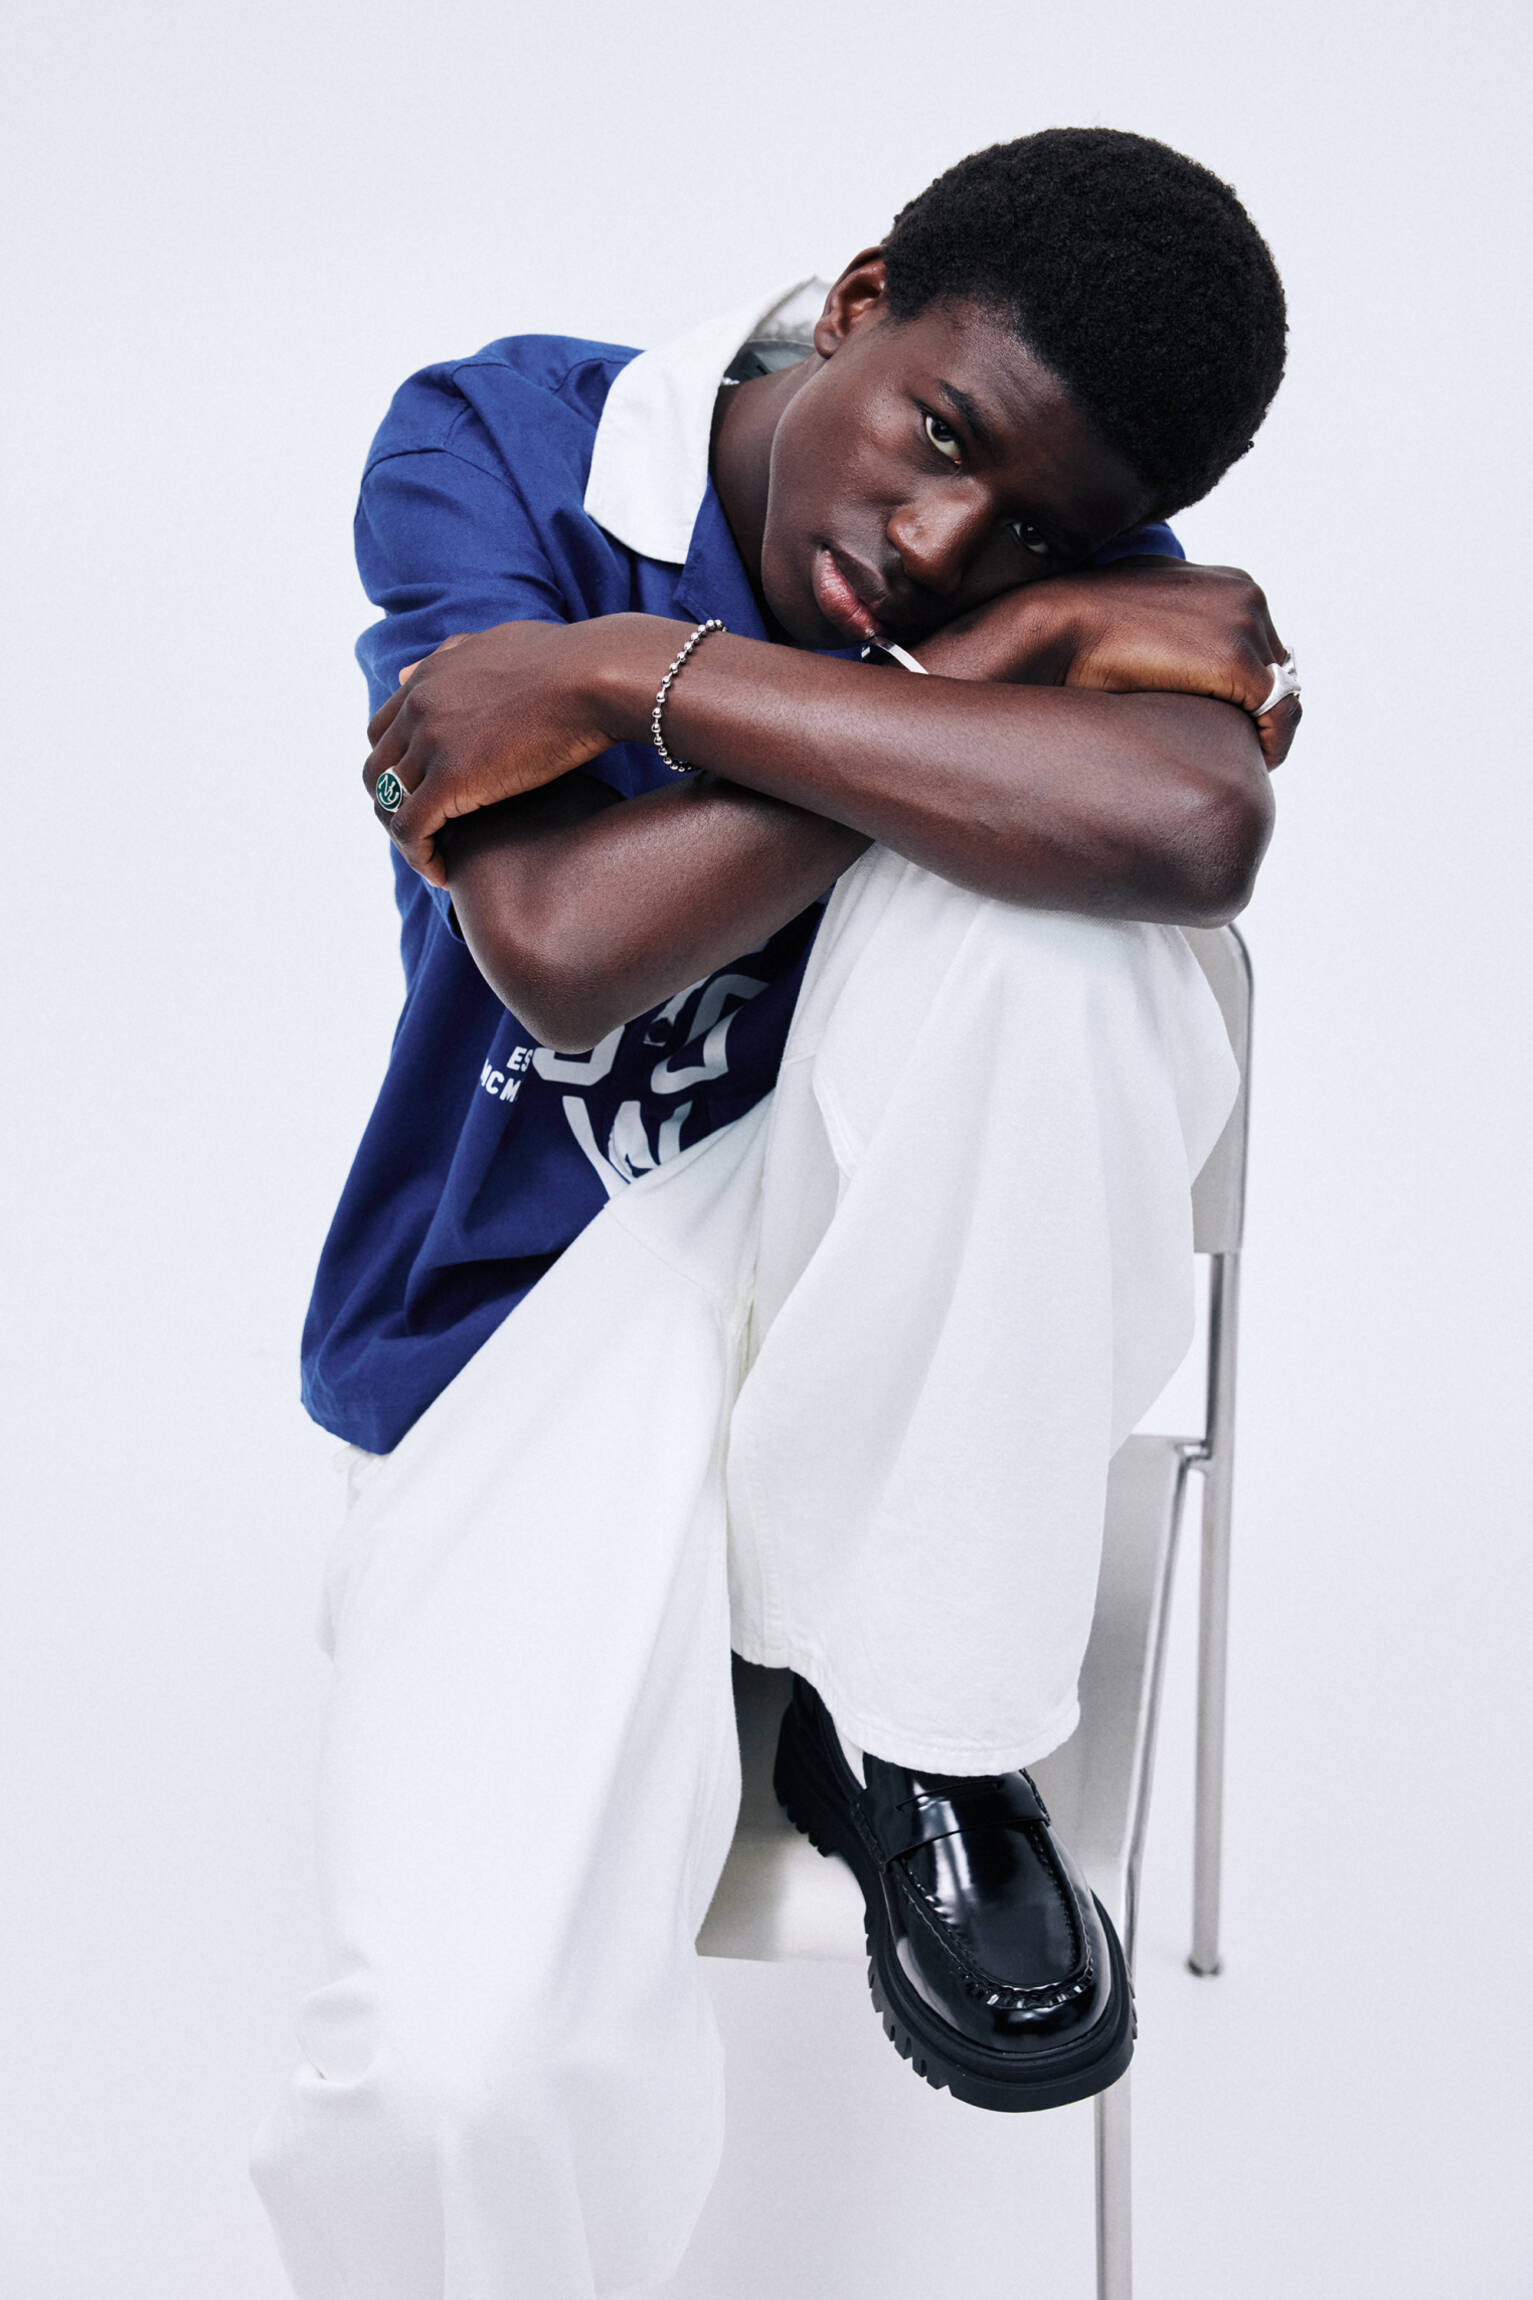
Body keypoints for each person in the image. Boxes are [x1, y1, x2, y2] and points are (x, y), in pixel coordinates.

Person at [251, 127, 1296, 2300]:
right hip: (536, 1314)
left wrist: (617, 683)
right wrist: (989, 684)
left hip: (889, 1258)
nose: (939, 545)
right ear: (856, 299)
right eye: (939, 438)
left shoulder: (1066, 501)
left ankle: (923, 1731)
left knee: (1059, 950)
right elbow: (558, 939)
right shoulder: (510, 446)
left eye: (1032, 541)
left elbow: (1192, 827)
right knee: (452, 2082)